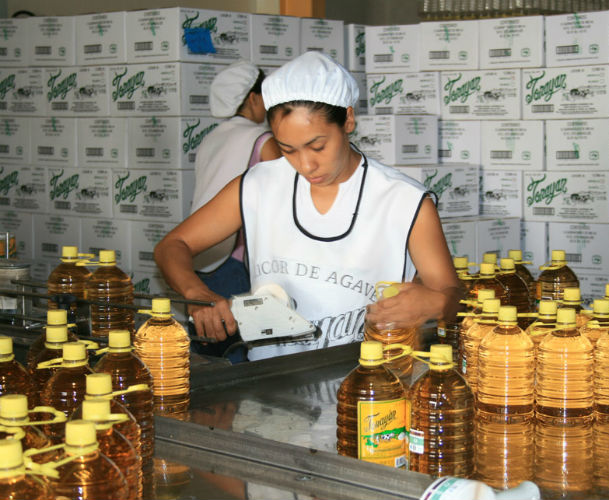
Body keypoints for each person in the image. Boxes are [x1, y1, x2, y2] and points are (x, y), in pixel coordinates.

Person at [154, 51, 461, 361]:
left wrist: (435, 303)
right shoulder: (258, 186)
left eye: (318, 146)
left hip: (369, 383)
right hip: (273, 382)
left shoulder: (404, 201)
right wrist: (195, 292)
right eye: (288, 150)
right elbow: (172, 245)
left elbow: (453, 294)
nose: (306, 165)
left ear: (348, 120)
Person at [187, 61, 281, 359]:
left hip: (201, 258)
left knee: (210, 349)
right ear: (253, 98)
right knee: (241, 349)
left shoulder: (211, 138)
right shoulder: (262, 139)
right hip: (236, 260)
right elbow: (283, 200)